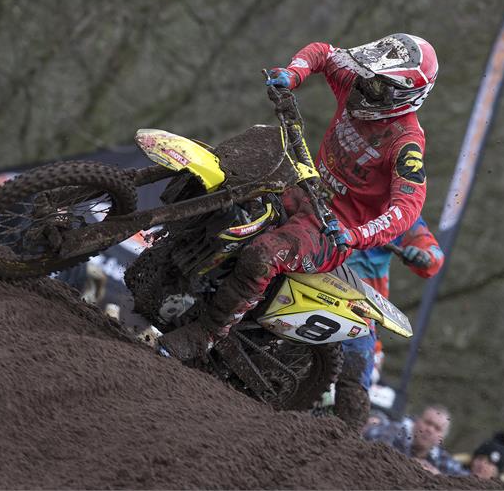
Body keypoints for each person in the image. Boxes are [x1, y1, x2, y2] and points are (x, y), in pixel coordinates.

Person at [158, 34, 439, 368]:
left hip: (331, 228)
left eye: (377, 85)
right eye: (367, 76)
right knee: (235, 182)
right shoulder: (359, 84)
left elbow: (407, 208)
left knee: (262, 256)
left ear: (404, 95)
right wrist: (293, 74)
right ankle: (172, 258)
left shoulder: (405, 144)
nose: (364, 86)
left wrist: (355, 235)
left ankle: (204, 334)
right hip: (304, 186)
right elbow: (324, 52)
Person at [335, 215, 444, 428]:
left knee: (353, 379)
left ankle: (344, 431)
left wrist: (425, 256)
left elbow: (433, 254)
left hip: (357, 307)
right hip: (307, 276)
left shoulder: (400, 215)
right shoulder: (334, 193)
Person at [363, 403, 468, 476]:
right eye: (428, 423)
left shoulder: (442, 459)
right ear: (417, 421)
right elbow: (373, 446)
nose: (430, 430)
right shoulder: (393, 432)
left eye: (437, 428)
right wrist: (409, 465)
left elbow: (467, 482)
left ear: (441, 438)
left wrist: (441, 478)